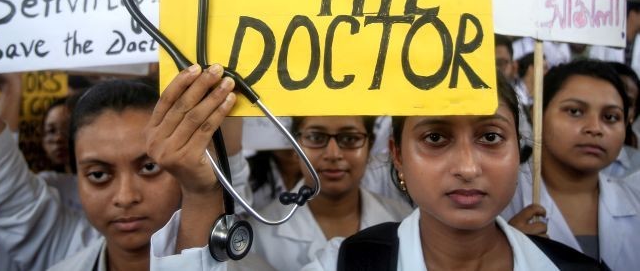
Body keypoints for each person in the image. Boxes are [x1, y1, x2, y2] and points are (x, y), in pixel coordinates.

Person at [147, 67, 597, 270]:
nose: (466, 166)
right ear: (397, 155)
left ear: (519, 152)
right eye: (435, 138)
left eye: (491, 137)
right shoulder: (344, 263)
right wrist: (202, 193)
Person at [0, 77, 184, 270]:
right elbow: (5, 190)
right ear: (77, 176)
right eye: (98, 175)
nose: (125, 197)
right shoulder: (67, 252)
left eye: (149, 168)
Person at [504, 60, 640, 269]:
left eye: (611, 117)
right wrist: (500, 251)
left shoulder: (635, 199)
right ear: (537, 113)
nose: (595, 128)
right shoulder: (500, 201)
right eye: (575, 111)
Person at [247, 116, 410, 271]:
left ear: (370, 145)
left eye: (350, 139)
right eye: (316, 138)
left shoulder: (403, 220)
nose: (333, 154)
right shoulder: (257, 235)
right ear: (295, 146)